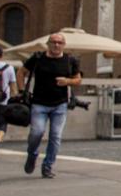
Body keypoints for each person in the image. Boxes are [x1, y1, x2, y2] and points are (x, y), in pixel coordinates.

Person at [21, 33, 80, 178]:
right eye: (53, 42)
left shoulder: (70, 60)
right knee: (37, 133)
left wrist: (67, 81)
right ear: (48, 44)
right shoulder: (38, 58)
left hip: (60, 104)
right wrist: (22, 90)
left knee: (55, 136)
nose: (56, 45)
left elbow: (78, 79)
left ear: (64, 45)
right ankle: (32, 154)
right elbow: (21, 72)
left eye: (60, 43)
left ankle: (47, 166)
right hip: (39, 103)